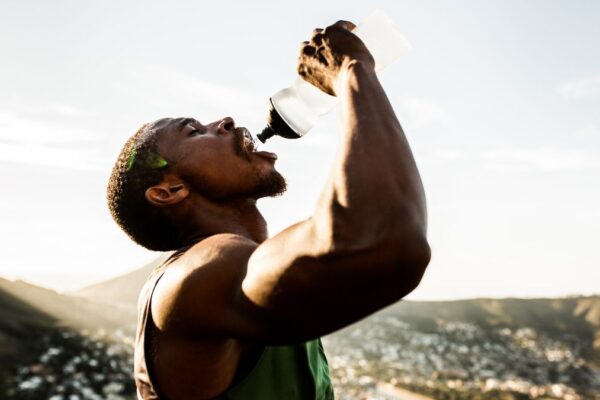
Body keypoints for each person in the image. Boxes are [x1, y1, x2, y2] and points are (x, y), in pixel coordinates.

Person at [107, 20, 430, 400]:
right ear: (170, 190)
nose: (224, 121)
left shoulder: (248, 269)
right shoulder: (196, 278)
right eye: (194, 131)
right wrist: (352, 68)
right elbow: (381, 234)